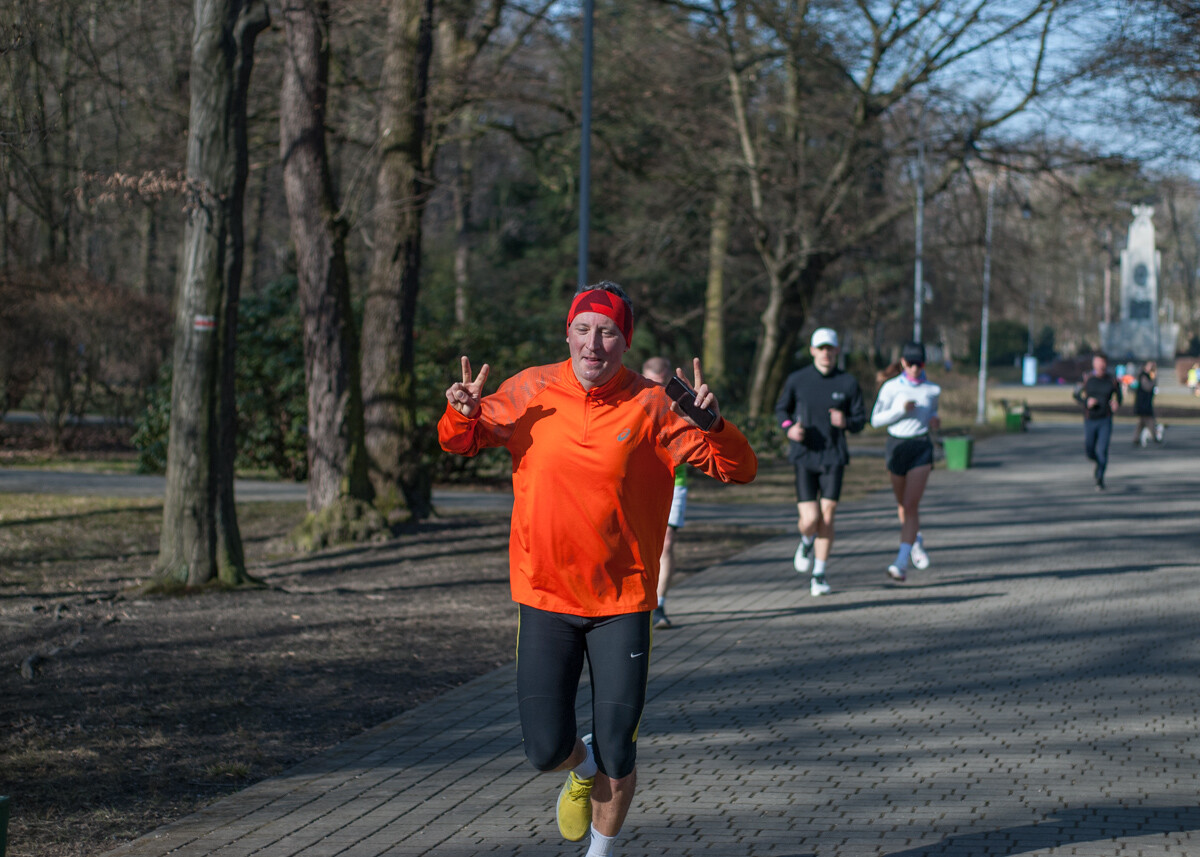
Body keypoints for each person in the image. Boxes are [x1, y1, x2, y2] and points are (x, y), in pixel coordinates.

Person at [438, 281, 757, 856]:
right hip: (546, 598)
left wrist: (713, 426)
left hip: (623, 604)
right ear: (568, 333)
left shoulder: (654, 405)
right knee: (543, 749)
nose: (594, 343)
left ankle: (600, 852)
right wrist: (460, 413)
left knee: (619, 748)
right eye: (583, 329)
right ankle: (578, 767)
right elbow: (461, 442)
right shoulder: (530, 389)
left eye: (608, 331)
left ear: (624, 342)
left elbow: (741, 469)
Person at [773, 327, 867, 596]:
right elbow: (781, 410)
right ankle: (805, 540)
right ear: (813, 350)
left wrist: (846, 421)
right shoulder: (797, 379)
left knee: (828, 516)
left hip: (834, 456)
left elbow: (861, 420)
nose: (826, 353)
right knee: (811, 518)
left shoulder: (848, 382)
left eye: (830, 348)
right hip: (804, 455)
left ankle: (819, 574)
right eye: (821, 348)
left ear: (837, 350)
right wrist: (789, 427)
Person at [870, 342, 941, 583]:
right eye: (909, 363)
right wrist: (900, 410)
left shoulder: (932, 390)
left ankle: (900, 563)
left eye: (918, 363)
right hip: (896, 446)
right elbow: (876, 420)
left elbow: (933, 413)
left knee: (911, 504)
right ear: (902, 362)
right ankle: (915, 541)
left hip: (920, 446)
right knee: (903, 505)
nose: (914, 367)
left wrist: (934, 420)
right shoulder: (891, 388)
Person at [641, 356, 687, 628]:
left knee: (666, 542)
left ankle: (659, 605)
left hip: (674, 481)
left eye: (662, 383)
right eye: (651, 383)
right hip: (639, 482)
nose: (657, 389)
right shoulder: (632, 398)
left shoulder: (681, 401)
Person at [1072, 351, 1121, 490]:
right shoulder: (1087, 378)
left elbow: (1119, 397)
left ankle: (1100, 478)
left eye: (1103, 363)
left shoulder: (1112, 380)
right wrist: (1086, 401)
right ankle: (1098, 463)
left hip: (1105, 419)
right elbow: (1076, 394)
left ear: (1106, 364)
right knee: (1089, 450)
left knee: (1103, 450)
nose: (1101, 365)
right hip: (1090, 419)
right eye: (1098, 362)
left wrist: (1116, 404)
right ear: (1094, 364)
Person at [1131, 361, 1164, 447]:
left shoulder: (1148, 375)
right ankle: (1155, 437)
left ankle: (1136, 439)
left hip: (1145, 402)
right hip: (1143, 403)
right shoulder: (1143, 376)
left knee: (1141, 422)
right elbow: (1148, 387)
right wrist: (1154, 380)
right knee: (1150, 420)